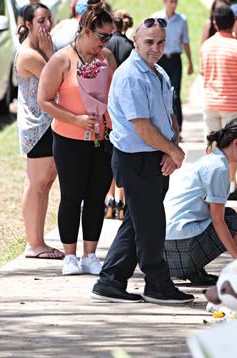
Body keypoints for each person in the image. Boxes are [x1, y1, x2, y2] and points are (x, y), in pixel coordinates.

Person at [92, 18, 194, 304]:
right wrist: (173, 152)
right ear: (135, 40)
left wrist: (171, 146)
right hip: (136, 158)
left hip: (154, 155)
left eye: (161, 42)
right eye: (149, 42)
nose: (156, 48)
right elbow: (142, 127)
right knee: (151, 224)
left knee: (139, 221)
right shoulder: (131, 75)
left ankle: (110, 281)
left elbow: (166, 116)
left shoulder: (157, 71)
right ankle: (156, 284)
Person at [37, 0, 117, 275]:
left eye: (110, 36)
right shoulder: (61, 60)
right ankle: (69, 254)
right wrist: (76, 119)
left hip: (102, 138)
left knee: (97, 197)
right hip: (69, 138)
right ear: (84, 30)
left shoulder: (107, 58)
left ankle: (90, 254)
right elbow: (44, 101)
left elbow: (114, 96)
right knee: (72, 196)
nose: (106, 42)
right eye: (102, 35)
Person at [164, 118, 237, 285]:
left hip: (166, 243)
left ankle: (193, 267)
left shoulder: (214, 159)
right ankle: (191, 267)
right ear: (236, 143)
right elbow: (217, 221)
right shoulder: (219, 168)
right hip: (176, 249)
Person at [16, 3, 63, 260]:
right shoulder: (29, 55)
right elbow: (53, 82)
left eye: (49, 19)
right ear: (28, 24)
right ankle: (33, 244)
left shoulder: (43, 49)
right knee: (36, 184)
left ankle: (39, 241)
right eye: (41, 20)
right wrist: (48, 51)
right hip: (37, 127)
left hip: (48, 124)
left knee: (45, 184)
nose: (47, 25)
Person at [199, 5, 237, 201]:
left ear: (214, 24)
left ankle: (212, 185)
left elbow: (203, 73)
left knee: (213, 146)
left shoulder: (206, 46)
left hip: (211, 102)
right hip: (234, 104)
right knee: (234, 147)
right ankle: (230, 184)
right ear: (233, 22)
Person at [103, 9, 134, 220]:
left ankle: (109, 198)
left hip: (106, 102)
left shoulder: (104, 46)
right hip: (123, 104)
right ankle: (122, 201)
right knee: (122, 152)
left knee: (109, 156)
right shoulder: (129, 47)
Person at [152, 0, 193, 133]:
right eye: (171, 2)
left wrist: (190, 63)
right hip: (160, 60)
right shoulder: (156, 18)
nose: (174, 5)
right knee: (159, 92)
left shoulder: (182, 20)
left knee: (175, 95)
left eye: (175, 2)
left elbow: (185, 42)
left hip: (175, 60)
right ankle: (162, 126)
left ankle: (178, 129)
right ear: (164, 2)